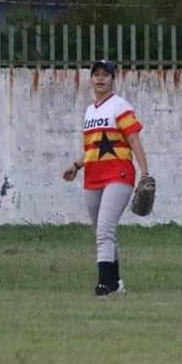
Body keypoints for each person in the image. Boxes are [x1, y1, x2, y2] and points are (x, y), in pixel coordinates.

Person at [63, 59, 151, 296]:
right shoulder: (90, 110)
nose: (100, 78)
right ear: (91, 79)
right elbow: (94, 146)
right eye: (96, 74)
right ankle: (116, 283)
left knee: (104, 230)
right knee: (103, 232)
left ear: (113, 79)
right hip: (93, 175)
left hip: (118, 173)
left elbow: (133, 140)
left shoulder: (119, 106)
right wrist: (76, 164)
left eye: (105, 75)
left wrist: (145, 174)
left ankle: (103, 285)